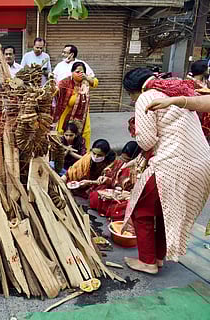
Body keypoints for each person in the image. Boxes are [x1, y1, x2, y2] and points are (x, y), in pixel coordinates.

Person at [121, 68, 210, 274]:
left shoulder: (146, 97)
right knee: (165, 210)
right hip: (201, 162)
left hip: (174, 164)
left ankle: (147, 261)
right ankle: (158, 257)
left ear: (132, 91)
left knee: (141, 210)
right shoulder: (174, 90)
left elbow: (146, 141)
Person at [89, 141, 141, 219]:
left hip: (126, 197)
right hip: (114, 192)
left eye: (126, 159)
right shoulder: (120, 162)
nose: (123, 161)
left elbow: (137, 193)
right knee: (95, 196)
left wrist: (124, 195)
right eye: (122, 157)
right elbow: (113, 179)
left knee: (120, 208)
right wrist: (106, 179)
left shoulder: (138, 171)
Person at [54, 62, 98, 150]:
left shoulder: (85, 82)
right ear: (72, 72)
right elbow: (56, 90)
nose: (80, 74)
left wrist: (87, 78)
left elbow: (95, 82)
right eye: (77, 72)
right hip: (67, 114)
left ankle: (83, 156)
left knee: (84, 134)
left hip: (83, 116)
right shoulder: (65, 82)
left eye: (82, 72)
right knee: (63, 134)